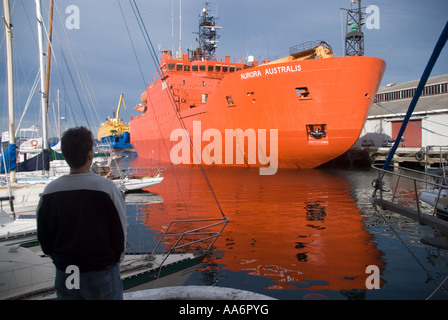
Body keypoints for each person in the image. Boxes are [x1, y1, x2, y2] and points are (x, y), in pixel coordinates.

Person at [37, 126, 127, 300]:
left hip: (67, 271)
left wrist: (59, 260)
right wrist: (113, 260)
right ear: (90, 155)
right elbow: (119, 231)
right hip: (101, 271)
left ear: (65, 156)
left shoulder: (49, 192)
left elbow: (44, 237)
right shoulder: (106, 188)